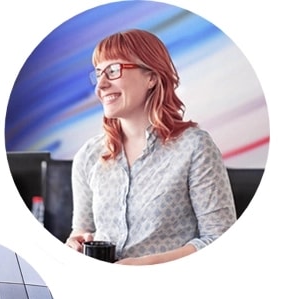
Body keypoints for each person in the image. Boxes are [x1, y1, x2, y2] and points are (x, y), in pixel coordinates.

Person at [67, 29, 236, 265]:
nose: (101, 85)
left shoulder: (195, 147)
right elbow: (81, 231)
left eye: (113, 70)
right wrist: (76, 242)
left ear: (152, 77)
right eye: (98, 73)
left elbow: (219, 239)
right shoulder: (89, 155)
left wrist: (147, 265)